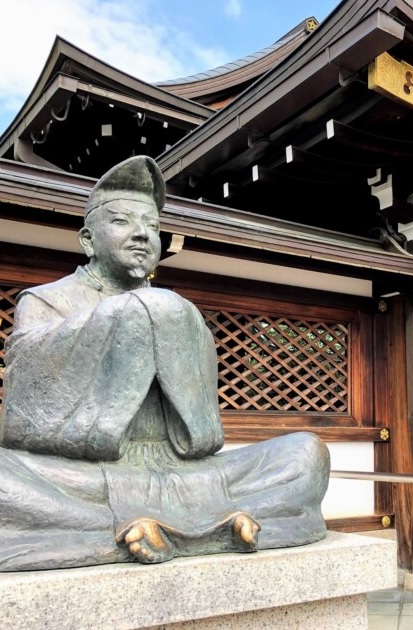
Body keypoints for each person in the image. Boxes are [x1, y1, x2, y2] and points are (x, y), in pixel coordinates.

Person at [0, 156, 330, 571]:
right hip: (88, 477)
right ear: (88, 239)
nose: (142, 234)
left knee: (305, 454)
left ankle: (150, 527)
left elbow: (203, 434)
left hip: (188, 474)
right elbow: (24, 419)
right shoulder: (46, 302)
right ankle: (210, 526)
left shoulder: (181, 311)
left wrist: (162, 316)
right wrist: (129, 318)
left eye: (153, 227)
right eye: (122, 221)